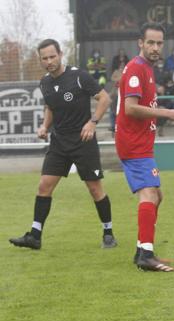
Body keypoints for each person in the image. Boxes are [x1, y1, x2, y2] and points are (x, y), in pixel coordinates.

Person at [9, 39, 116, 250]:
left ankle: (108, 233)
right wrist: (43, 126)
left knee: (95, 188)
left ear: (60, 54)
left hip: (83, 141)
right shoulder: (45, 82)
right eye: (44, 58)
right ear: (40, 60)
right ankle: (35, 236)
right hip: (59, 142)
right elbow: (50, 107)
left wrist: (92, 123)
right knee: (44, 186)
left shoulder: (79, 76)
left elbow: (105, 99)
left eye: (52, 56)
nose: (49, 61)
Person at [115, 22, 174, 271]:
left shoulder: (146, 68)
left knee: (157, 195)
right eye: (151, 43)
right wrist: (166, 112)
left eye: (159, 43)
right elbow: (130, 108)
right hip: (134, 144)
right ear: (140, 43)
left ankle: (142, 249)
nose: (156, 47)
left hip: (141, 143)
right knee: (149, 194)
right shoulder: (136, 68)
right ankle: (146, 254)